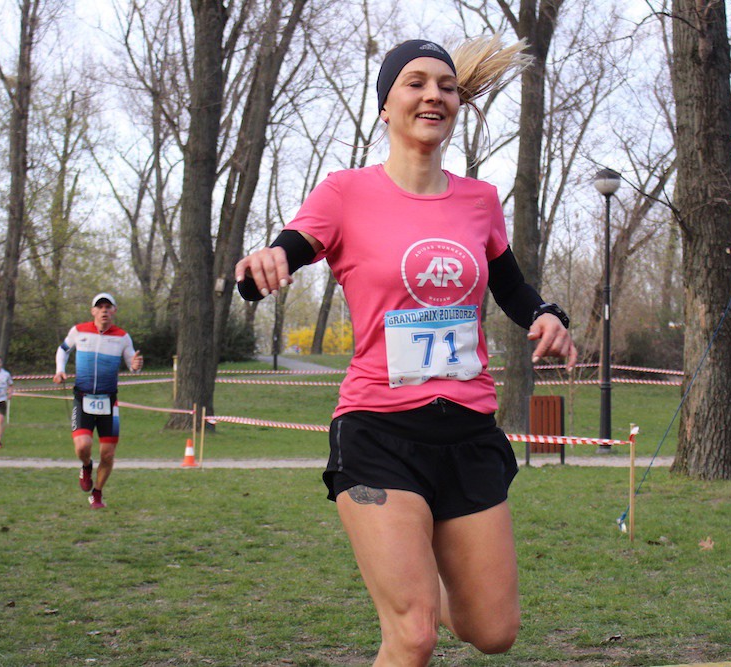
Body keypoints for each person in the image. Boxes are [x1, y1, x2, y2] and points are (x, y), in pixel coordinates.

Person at [236, 36, 577, 665]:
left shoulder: (479, 199)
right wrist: (267, 261)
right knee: (414, 634)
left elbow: (510, 286)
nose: (433, 95)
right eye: (415, 83)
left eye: (446, 86)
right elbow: (290, 248)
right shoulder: (345, 192)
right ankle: (413, 598)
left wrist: (547, 316)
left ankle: (425, 587)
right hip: (379, 433)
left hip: (469, 432)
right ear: (385, 106)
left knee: (494, 632)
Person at [53, 293, 143, 509]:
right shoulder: (79, 330)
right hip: (83, 398)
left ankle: (97, 493)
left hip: (108, 401)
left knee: (108, 454)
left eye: (108, 307)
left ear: (114, 311)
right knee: (83, 446)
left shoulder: (122, 337)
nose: (104, 310)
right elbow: (63, 350)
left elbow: (131, 362)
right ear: (93, 311)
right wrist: (59, 370)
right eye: (100, 307)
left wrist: (135, 365)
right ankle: (86, 466)